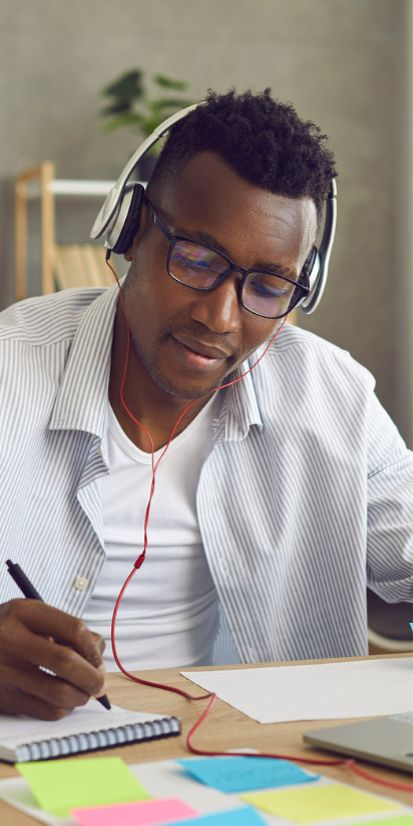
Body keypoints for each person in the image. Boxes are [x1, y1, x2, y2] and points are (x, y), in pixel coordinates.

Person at [0, 89, 412, 721]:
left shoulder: (333, 399)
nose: (219, 317)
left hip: (247, 767)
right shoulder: (10, 370)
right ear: (131, 230)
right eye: (195, 259)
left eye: (269, 286)